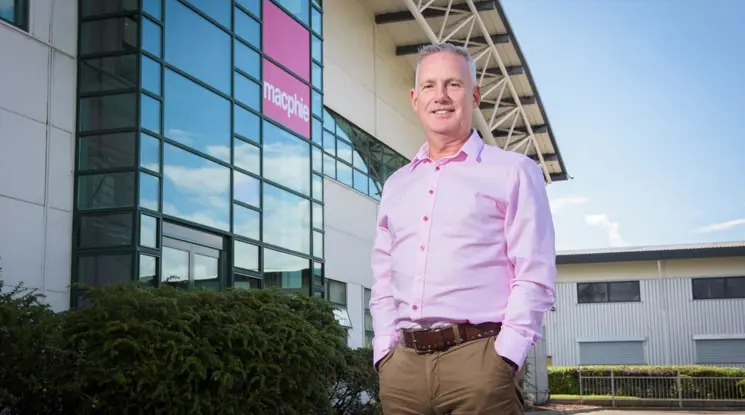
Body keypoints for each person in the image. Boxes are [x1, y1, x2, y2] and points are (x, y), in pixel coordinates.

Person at [368, 42, 557, 415]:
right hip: (403, 371)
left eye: (453, 84)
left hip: (481, 364)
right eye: (429, 85)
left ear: (474, 96)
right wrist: (384, 352)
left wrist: (506, 356)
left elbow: (534, 273)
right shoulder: (396, 184)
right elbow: (383, 275)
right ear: (415, 99)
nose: (440, 96)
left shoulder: (514, 172)